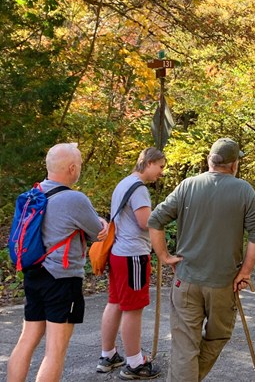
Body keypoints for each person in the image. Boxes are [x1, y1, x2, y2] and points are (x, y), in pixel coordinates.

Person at [148, 138, 255, 382]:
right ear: (234, 165)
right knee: (218, 337)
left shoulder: (187, 185)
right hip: (223, 283)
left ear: (209, 160)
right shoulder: (244, 190)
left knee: (184, 347)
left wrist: (164, 256)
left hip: (186, 279)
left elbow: (155, 221)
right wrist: (245, 271)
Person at [7, 143, 108, 382]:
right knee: (56, 349)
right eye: (80, 164)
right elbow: (97, 233)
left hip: (33, 274)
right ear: (72, 168)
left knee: (27, 339)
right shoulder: (74, 199)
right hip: (62, 279)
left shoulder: (34, 194)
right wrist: (101, 222)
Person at [97, 147, 166, 379]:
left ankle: (108, 355)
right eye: (160, 167)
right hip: (133, 255)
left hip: (118, 253)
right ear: (149, 163)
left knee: (115, 302)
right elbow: (146, 222)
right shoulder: (139, 189)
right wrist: (164, 216)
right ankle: (135, 363)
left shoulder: (123, 183)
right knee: (133, 309)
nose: (161, 172)